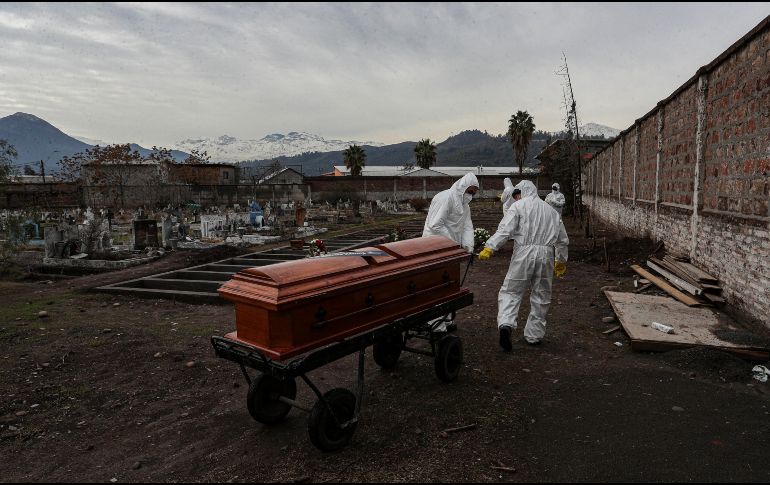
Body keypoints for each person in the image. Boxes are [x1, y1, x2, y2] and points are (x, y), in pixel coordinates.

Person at [478, 180, 569, 350]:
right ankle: (534, 335)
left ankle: (506, 324)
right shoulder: (551, 211)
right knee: (542, 295)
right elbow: (562, 240)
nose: (516, 198)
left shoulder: (518, 207)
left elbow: (505, 229)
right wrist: (560, 261)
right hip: (546, 254)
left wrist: (490, 247)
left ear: (522, 192)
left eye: (517, 194)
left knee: (511, 290)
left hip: (523, 253)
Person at [422, 172, 479, 332]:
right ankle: (435, 325)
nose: (471, 195)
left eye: (474, 192)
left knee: (449, 286)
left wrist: (469, 246)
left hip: (450, 250)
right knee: (436, 286)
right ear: (463, 187)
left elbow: (467, 226)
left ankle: (446, 319)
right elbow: (435, 225)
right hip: (434, 247)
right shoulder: (445, 197)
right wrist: (454, 245)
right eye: (470, 191)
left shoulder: (464, 206)